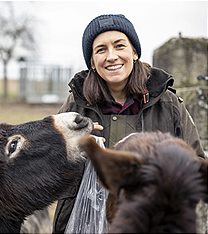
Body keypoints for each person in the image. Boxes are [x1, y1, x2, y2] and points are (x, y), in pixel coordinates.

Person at [52, 14, 206, 233]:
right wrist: (75, 149)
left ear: (134, 52)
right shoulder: (76, 104)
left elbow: (196, 163)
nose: (112, 56)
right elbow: (51, 165)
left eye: (119, 46)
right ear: (92, 63)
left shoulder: (167, 102)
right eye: (101, 50)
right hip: (83, 222)